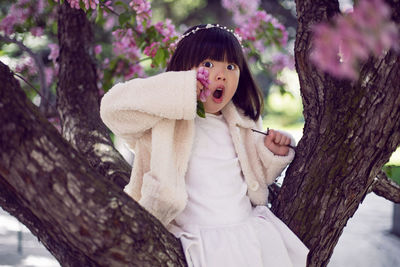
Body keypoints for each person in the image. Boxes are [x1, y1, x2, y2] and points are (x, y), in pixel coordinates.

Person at [100, 23, 308, 267]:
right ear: (183, 71)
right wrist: (180, 88)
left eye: (230, 66)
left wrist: (274, 151)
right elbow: (112, 110)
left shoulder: (241, 121)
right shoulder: (164, 118)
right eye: (208, 64)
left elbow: (256, 177)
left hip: (244, 233)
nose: (221, 74)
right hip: (194, 238)